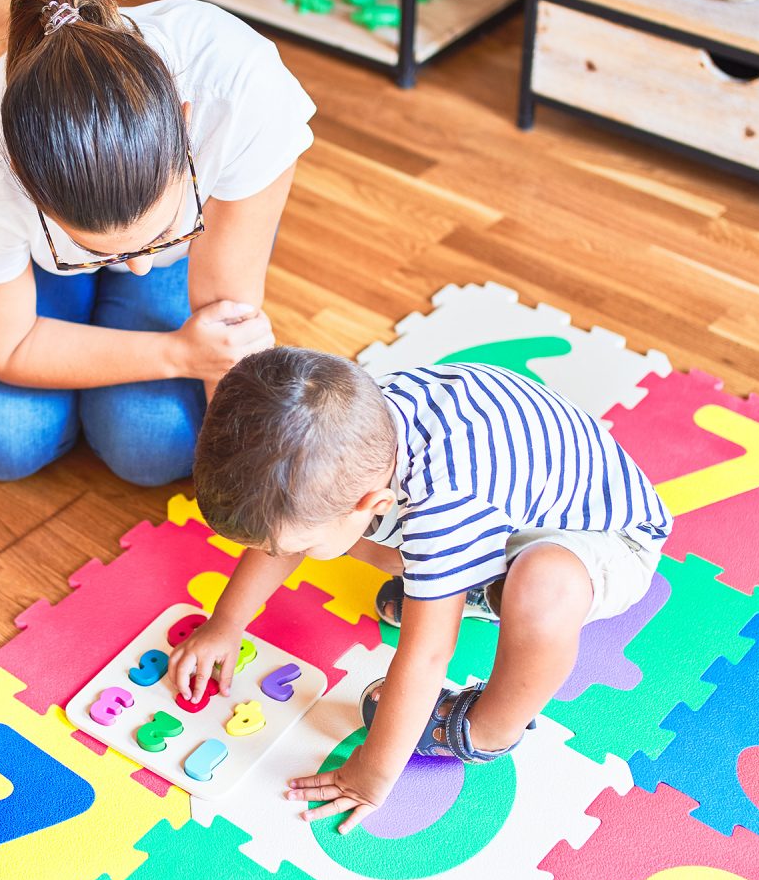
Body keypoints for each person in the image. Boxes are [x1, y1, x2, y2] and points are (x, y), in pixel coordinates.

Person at [169, 346, 672, 833]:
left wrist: (373, 772)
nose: (279, 552)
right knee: (335, 533)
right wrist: (226, 622)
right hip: (513, 504)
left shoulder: (444, 502)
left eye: (288, 547)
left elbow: (427, 655)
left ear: (375, 500)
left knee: (544, 588)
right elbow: (282, 530)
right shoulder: (349, 424)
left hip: (609, 540)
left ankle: (493, 728)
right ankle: (470, 581)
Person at [0, 0, 315, 484]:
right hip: (36, 275)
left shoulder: (242, 87)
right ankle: (78, 292)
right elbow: (7, 345)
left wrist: (246, 461)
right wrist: (175, 353)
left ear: (187, 124)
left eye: (162, 235)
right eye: (96, 249)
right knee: (5, 441)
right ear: (28, 189)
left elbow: (227, 317)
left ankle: (100, 293)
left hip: (195, 262)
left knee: (153, 448)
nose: (139, 268)